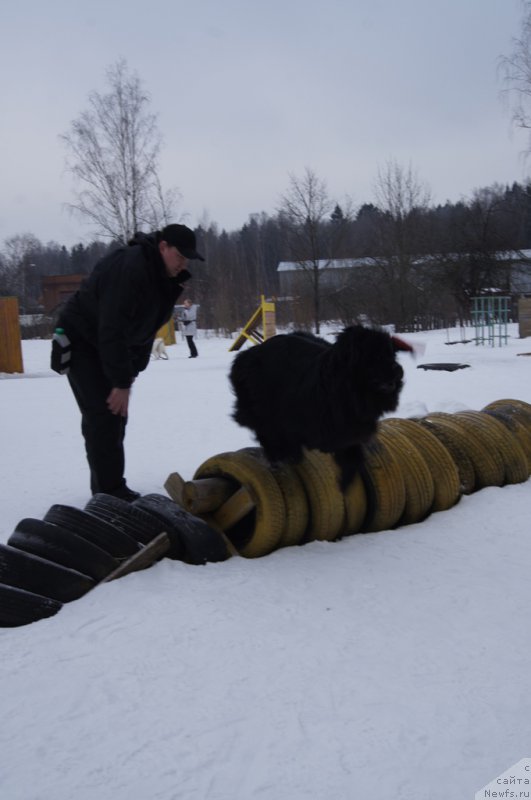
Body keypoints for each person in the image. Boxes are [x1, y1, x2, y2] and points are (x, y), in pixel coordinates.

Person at [55, 224, 204, 501]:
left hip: (107, 343)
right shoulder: (131, 269)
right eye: (180, 256)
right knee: (103, 414)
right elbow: (113, 328)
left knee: (116, 416)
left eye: (188, 258)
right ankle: (108, 495)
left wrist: (132, 370)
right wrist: (120, 382)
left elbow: (145, 328)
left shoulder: (163, 278)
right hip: (83, 340)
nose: (183, 262)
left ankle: (111, 486)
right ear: (163, 247)